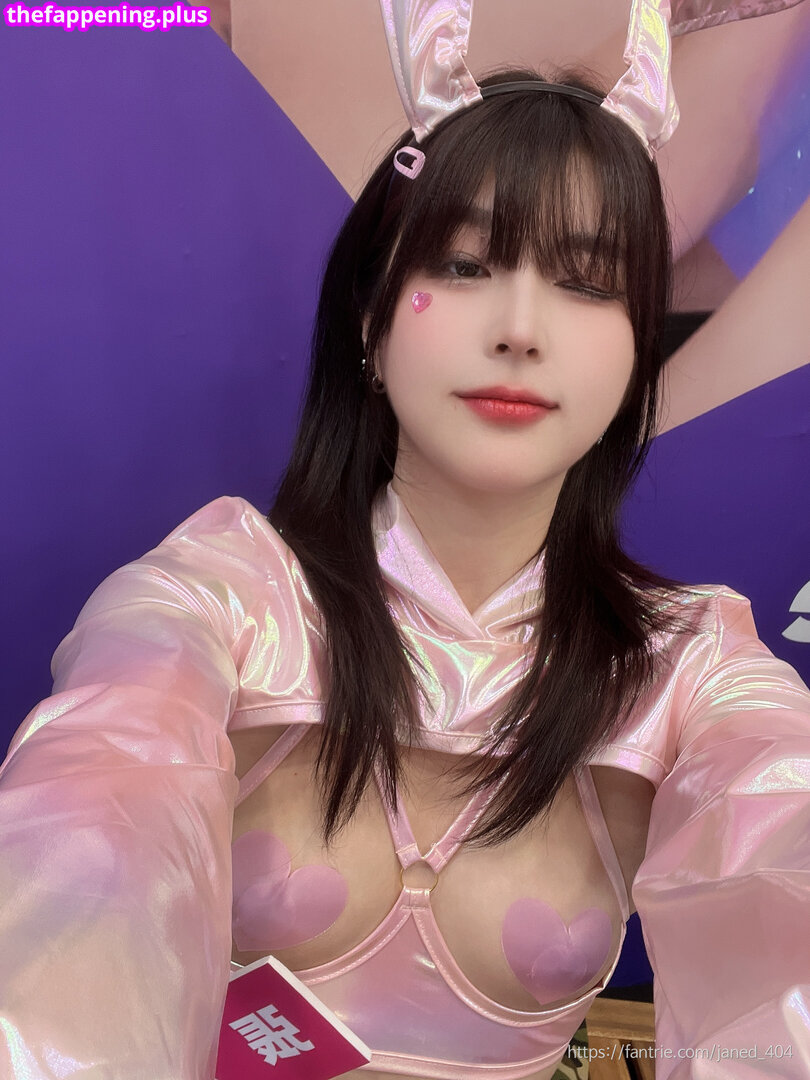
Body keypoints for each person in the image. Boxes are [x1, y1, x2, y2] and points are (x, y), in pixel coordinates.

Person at [2, 33, 810, 1080]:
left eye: (587, 281)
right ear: (372, 322)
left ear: (633, 349)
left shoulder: (689, 666)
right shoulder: (226, 599)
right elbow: (85, 833)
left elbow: (783, 873)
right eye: (464, 266)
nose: (520, 328)